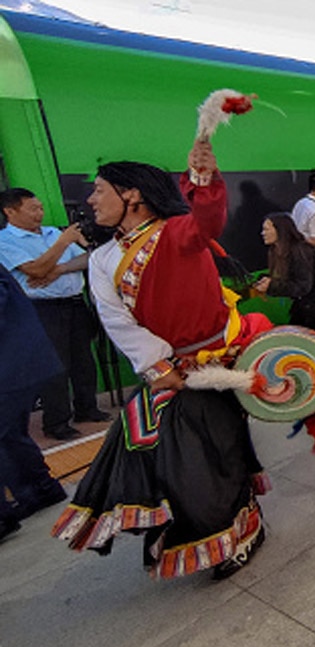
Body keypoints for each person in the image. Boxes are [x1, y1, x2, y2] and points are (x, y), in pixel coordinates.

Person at [51, 140, 273, 579]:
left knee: (211, 455)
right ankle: (187, 524)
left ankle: (241, 531)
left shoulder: (177, 233)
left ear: (131, 195)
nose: (91, 200)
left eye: (99, 190)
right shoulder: (103, 260)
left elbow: (207, 220)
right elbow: (117, 321)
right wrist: (159, 367)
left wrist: (204, 180)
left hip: (213, 363)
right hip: (168, 372)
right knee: (144, 448)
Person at [0, 188, 110, 440]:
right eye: (32, 209)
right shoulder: (5, 241)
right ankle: (57, 422)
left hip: (74, 303)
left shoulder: (52, 232)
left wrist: (58, 269)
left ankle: (87, 408)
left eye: (40, 207)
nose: (39, 213)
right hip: (42, 308)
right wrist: (63, 243)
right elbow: (35, 270)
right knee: (55, 366)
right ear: (10, 211)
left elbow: (87, 259)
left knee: (83, 360)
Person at [0, 264, 68, 541]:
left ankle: (5, 515)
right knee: (10, 433)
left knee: (6, 432)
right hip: (17, 362)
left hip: (12, 362)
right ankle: (40, 491)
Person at [254, 213, 315, 337]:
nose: (263, 233)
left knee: (300, 337)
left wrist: (272, 286)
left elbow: (302, 286)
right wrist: (266, 281)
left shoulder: (300, 250)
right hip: (306, 302)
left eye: (266, 229)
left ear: (280, 230)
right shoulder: (276, 251)